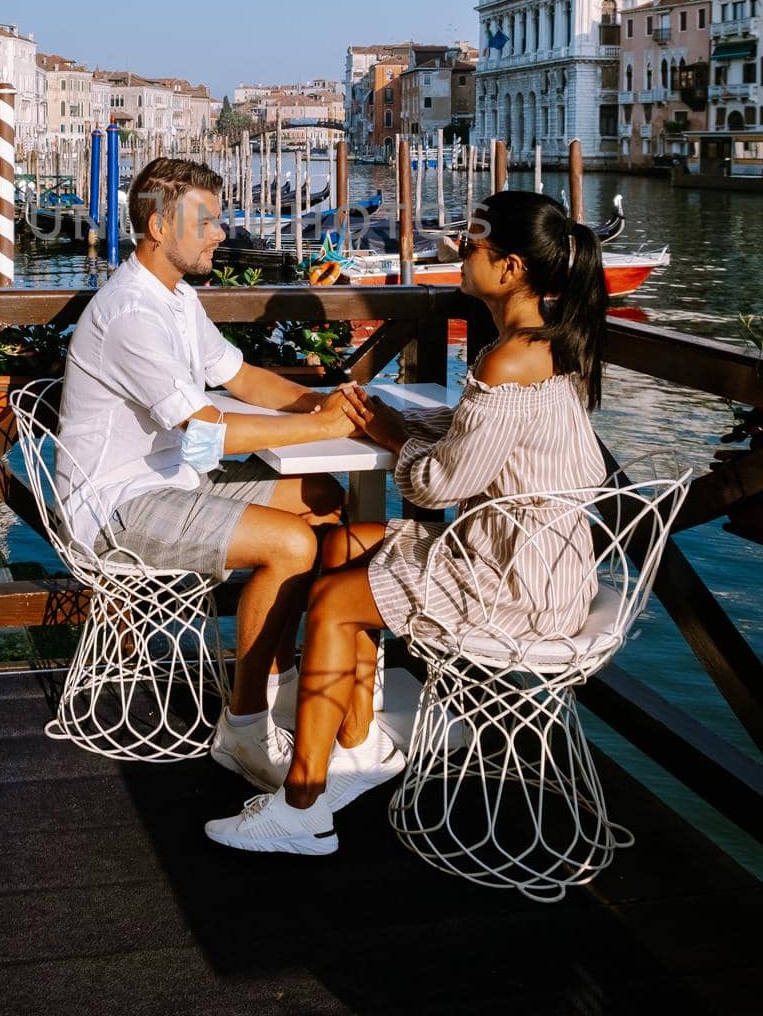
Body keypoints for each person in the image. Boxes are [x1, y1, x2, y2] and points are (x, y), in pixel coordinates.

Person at [205, 189, 610, 855]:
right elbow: (481, 438)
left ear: (508, 268)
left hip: (515, 584)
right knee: (341, 542)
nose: (456, 249)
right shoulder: (552, 343)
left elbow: (438, 481)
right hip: (545, 560)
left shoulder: (506, 359)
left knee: (335, 603)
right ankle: (357, 745)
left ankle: (301, 807)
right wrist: (398, 420)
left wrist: (394, 439)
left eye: (471, 242)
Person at [57, 155, 369, 791]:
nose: (220, 234)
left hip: (175, 481)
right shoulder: (132, 314)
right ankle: (245, 729)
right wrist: (323, 428)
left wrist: (323, 403)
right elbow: (204, 427)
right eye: (206, 222)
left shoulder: (176, 297)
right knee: (292, 543)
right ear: (157, 226)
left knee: (325, 500)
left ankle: (277, 687)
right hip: (117, 505)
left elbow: (240, 378)